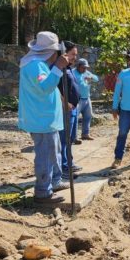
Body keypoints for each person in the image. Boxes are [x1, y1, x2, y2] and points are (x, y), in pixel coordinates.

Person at [18, 31, 71, 204]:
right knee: (46, 156)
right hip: (41, 119)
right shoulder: (35, 66)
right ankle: (43, 192)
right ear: (51, 52)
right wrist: (58, 67)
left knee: (53, 152)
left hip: (46, 119)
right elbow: (45, 87)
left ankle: (54, 182)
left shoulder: (38, 64)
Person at [57, 41, 83, 175]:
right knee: (64, 139)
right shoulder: (58, 69)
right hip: (65, 109)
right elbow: (55, 88)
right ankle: (64, 167)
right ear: (64, 53)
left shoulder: (68, 68)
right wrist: (64, 102)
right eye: (73, 54)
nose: (75, 57)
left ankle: (69, 162)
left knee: (70, 138)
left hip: (73, 109)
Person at [73, 58, 98, 141]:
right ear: (78, 66)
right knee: (74, 118)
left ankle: (85, 134)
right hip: (77, 99)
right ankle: (74, 137)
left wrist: (90, 77)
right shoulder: (73, 72)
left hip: (87, 98)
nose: (85, 69)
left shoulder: (86, 73)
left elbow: (96, 78)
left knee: (88, 116)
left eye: (86, 67)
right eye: (83, 67)